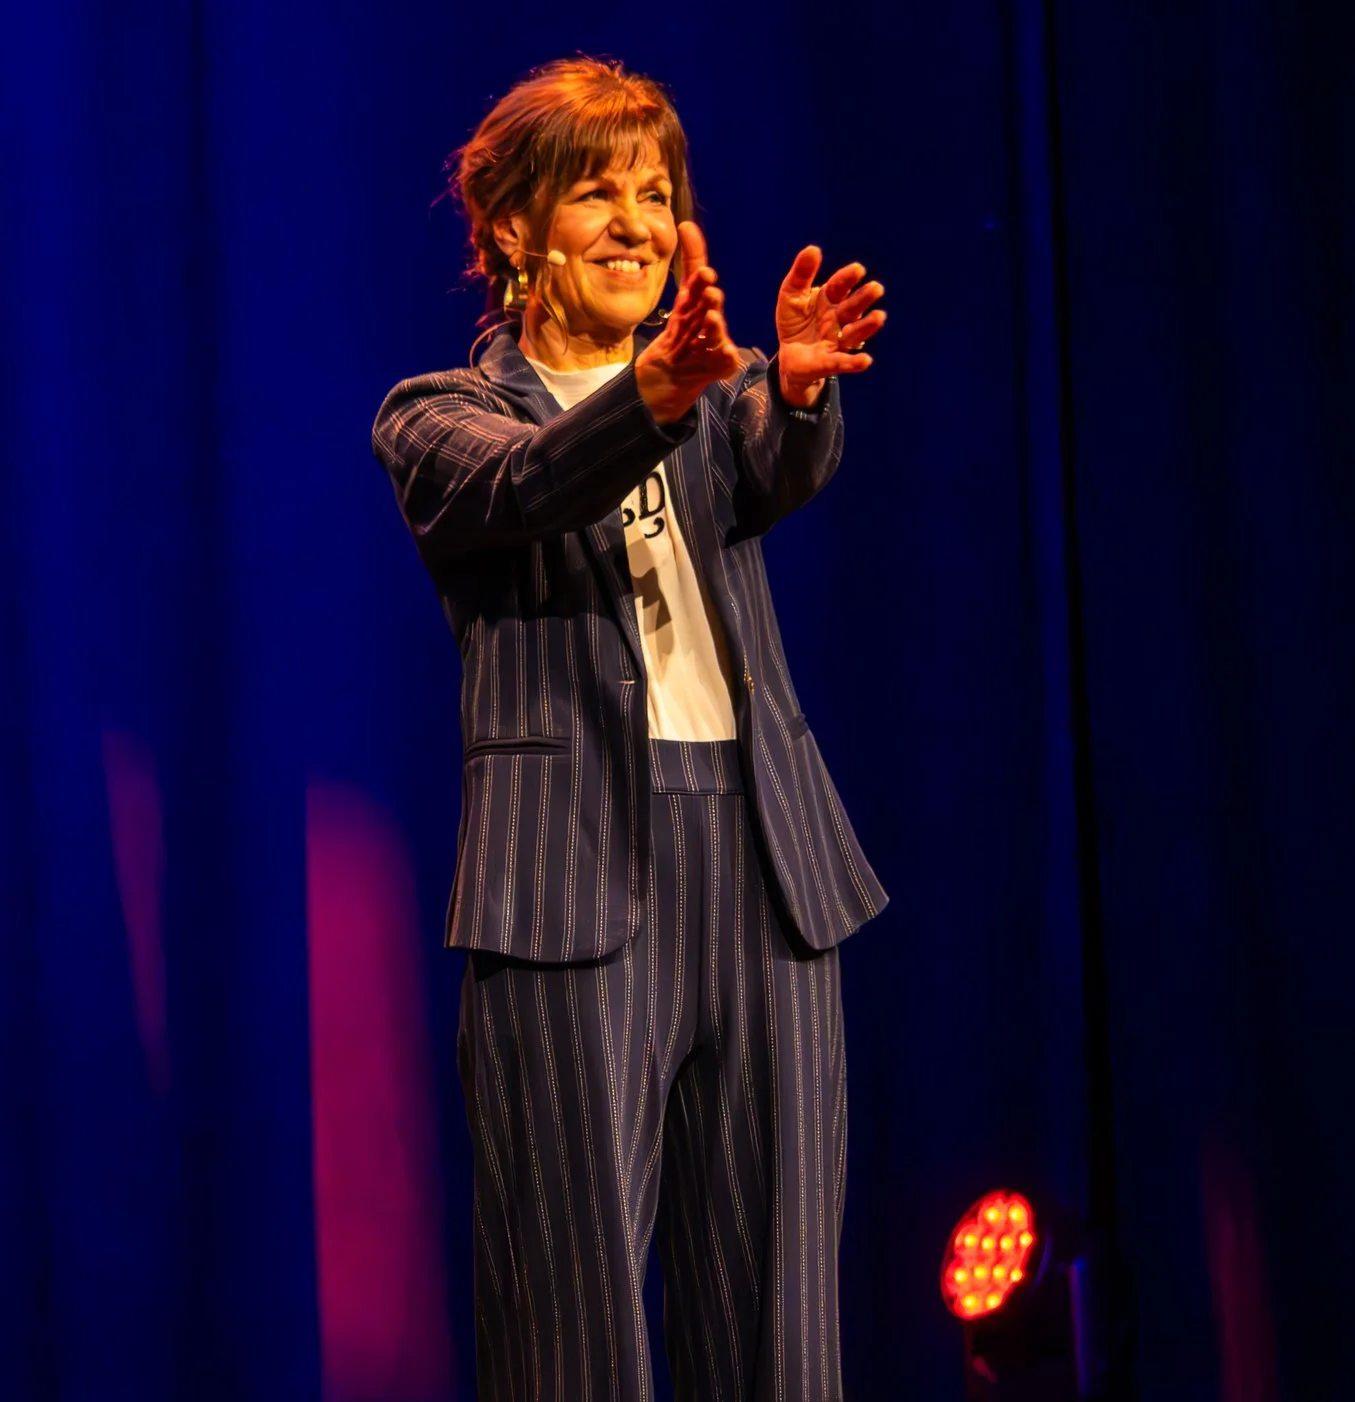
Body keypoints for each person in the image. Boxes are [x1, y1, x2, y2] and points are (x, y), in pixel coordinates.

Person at [371, 57, 890, 1401]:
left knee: (781, 1330)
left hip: (770, 876)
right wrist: (656, 397)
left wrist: (798, 392)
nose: (636, 222)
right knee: (574, 1334)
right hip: (570, 888)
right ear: (512, 232)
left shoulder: (714, 397)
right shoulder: (439, 416)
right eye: (595, 191)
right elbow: (529, 485)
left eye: (656, 194)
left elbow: (771, 468)